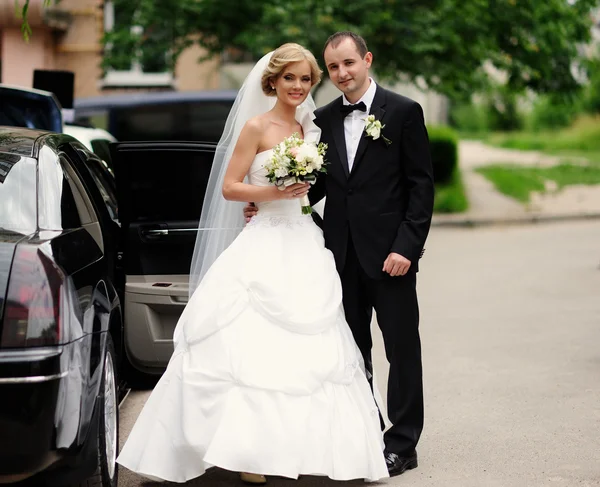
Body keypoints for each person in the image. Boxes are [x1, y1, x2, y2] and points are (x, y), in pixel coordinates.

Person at [116, 43, 389, 484]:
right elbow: (229, 187)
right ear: (272, 82)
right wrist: (270, 195)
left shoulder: (313, 129)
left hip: (304, 240)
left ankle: (306, 449)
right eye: (289, 79)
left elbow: (324, 186)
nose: (298, 87)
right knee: (246, 348)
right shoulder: (256, 127)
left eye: (305, 79)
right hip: (262, 240)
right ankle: (247, 458)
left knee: (311, 353)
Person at [245, 32, 435, 477]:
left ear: (367, 59)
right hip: (338, 255)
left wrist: (406, 247)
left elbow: (420, 187)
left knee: (401, 350)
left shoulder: (404, 112)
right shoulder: (323, 119)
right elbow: (319, 184)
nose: (342, 73)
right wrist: (270, 199)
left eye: (349, 63)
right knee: (351, 353)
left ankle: (403, 444)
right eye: (333, 68)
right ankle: (367, 433)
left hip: (392, 257)